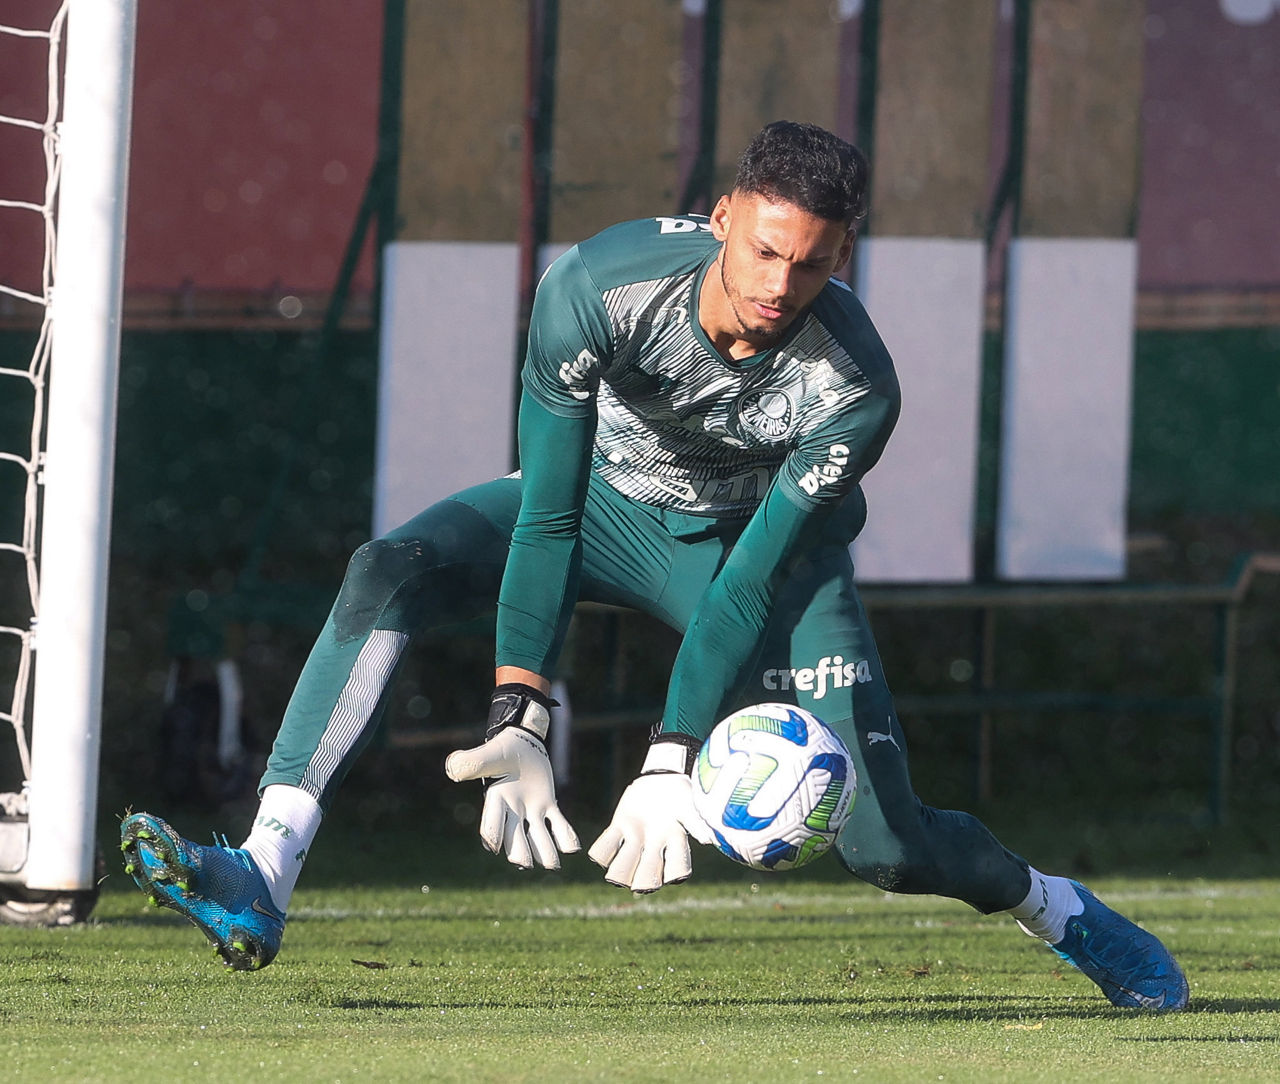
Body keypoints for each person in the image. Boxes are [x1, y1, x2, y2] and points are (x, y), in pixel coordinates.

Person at [121, 120, 1188, 1010]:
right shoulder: (596, 287)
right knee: (384, 571)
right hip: (597, 509)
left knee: (887, 847)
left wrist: (671, 756)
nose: (780, 284)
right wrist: (518, 709)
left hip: (755, 559)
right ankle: (263, 870)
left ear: (844, 255)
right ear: (722, 218)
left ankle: (1057, 909)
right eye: (764, 251)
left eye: (812, 263)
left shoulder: (854, 386)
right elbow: (547, 516)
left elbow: (747, 582)